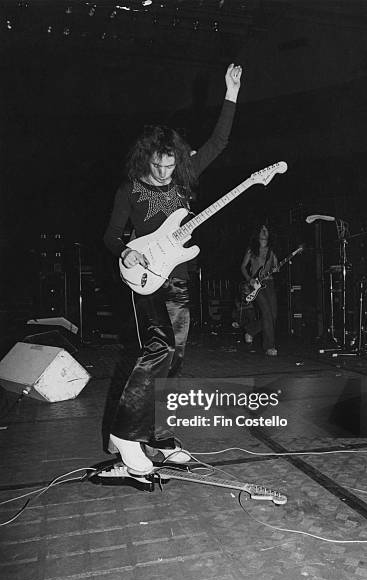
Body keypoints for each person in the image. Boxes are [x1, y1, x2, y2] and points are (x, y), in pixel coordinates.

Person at [103, 63, 243, 475]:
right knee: (157, 347)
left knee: (176, 359)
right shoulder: (129, 189)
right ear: (145, 159)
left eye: (170, 165)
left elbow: (219, 142)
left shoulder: (183, 180)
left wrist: (231, 93)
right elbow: (111, 236)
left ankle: (158, 439)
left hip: (177, 280)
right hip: (143, 280)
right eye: (158, 166)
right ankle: (126, 437)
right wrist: (125, 253)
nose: (164, 173)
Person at [240, 222, 278, 356]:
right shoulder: (252, 250)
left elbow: (275, 266)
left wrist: (276, 268)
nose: (264, 231)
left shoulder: (271, 251)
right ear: (257, 233)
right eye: (261, 229)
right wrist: (249, 279)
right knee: (267, 313)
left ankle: (251, 329)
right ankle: (269, 346)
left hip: (269, 283)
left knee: (273, 315)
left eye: (266, 230)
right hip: (256, 285)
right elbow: (243, 267)